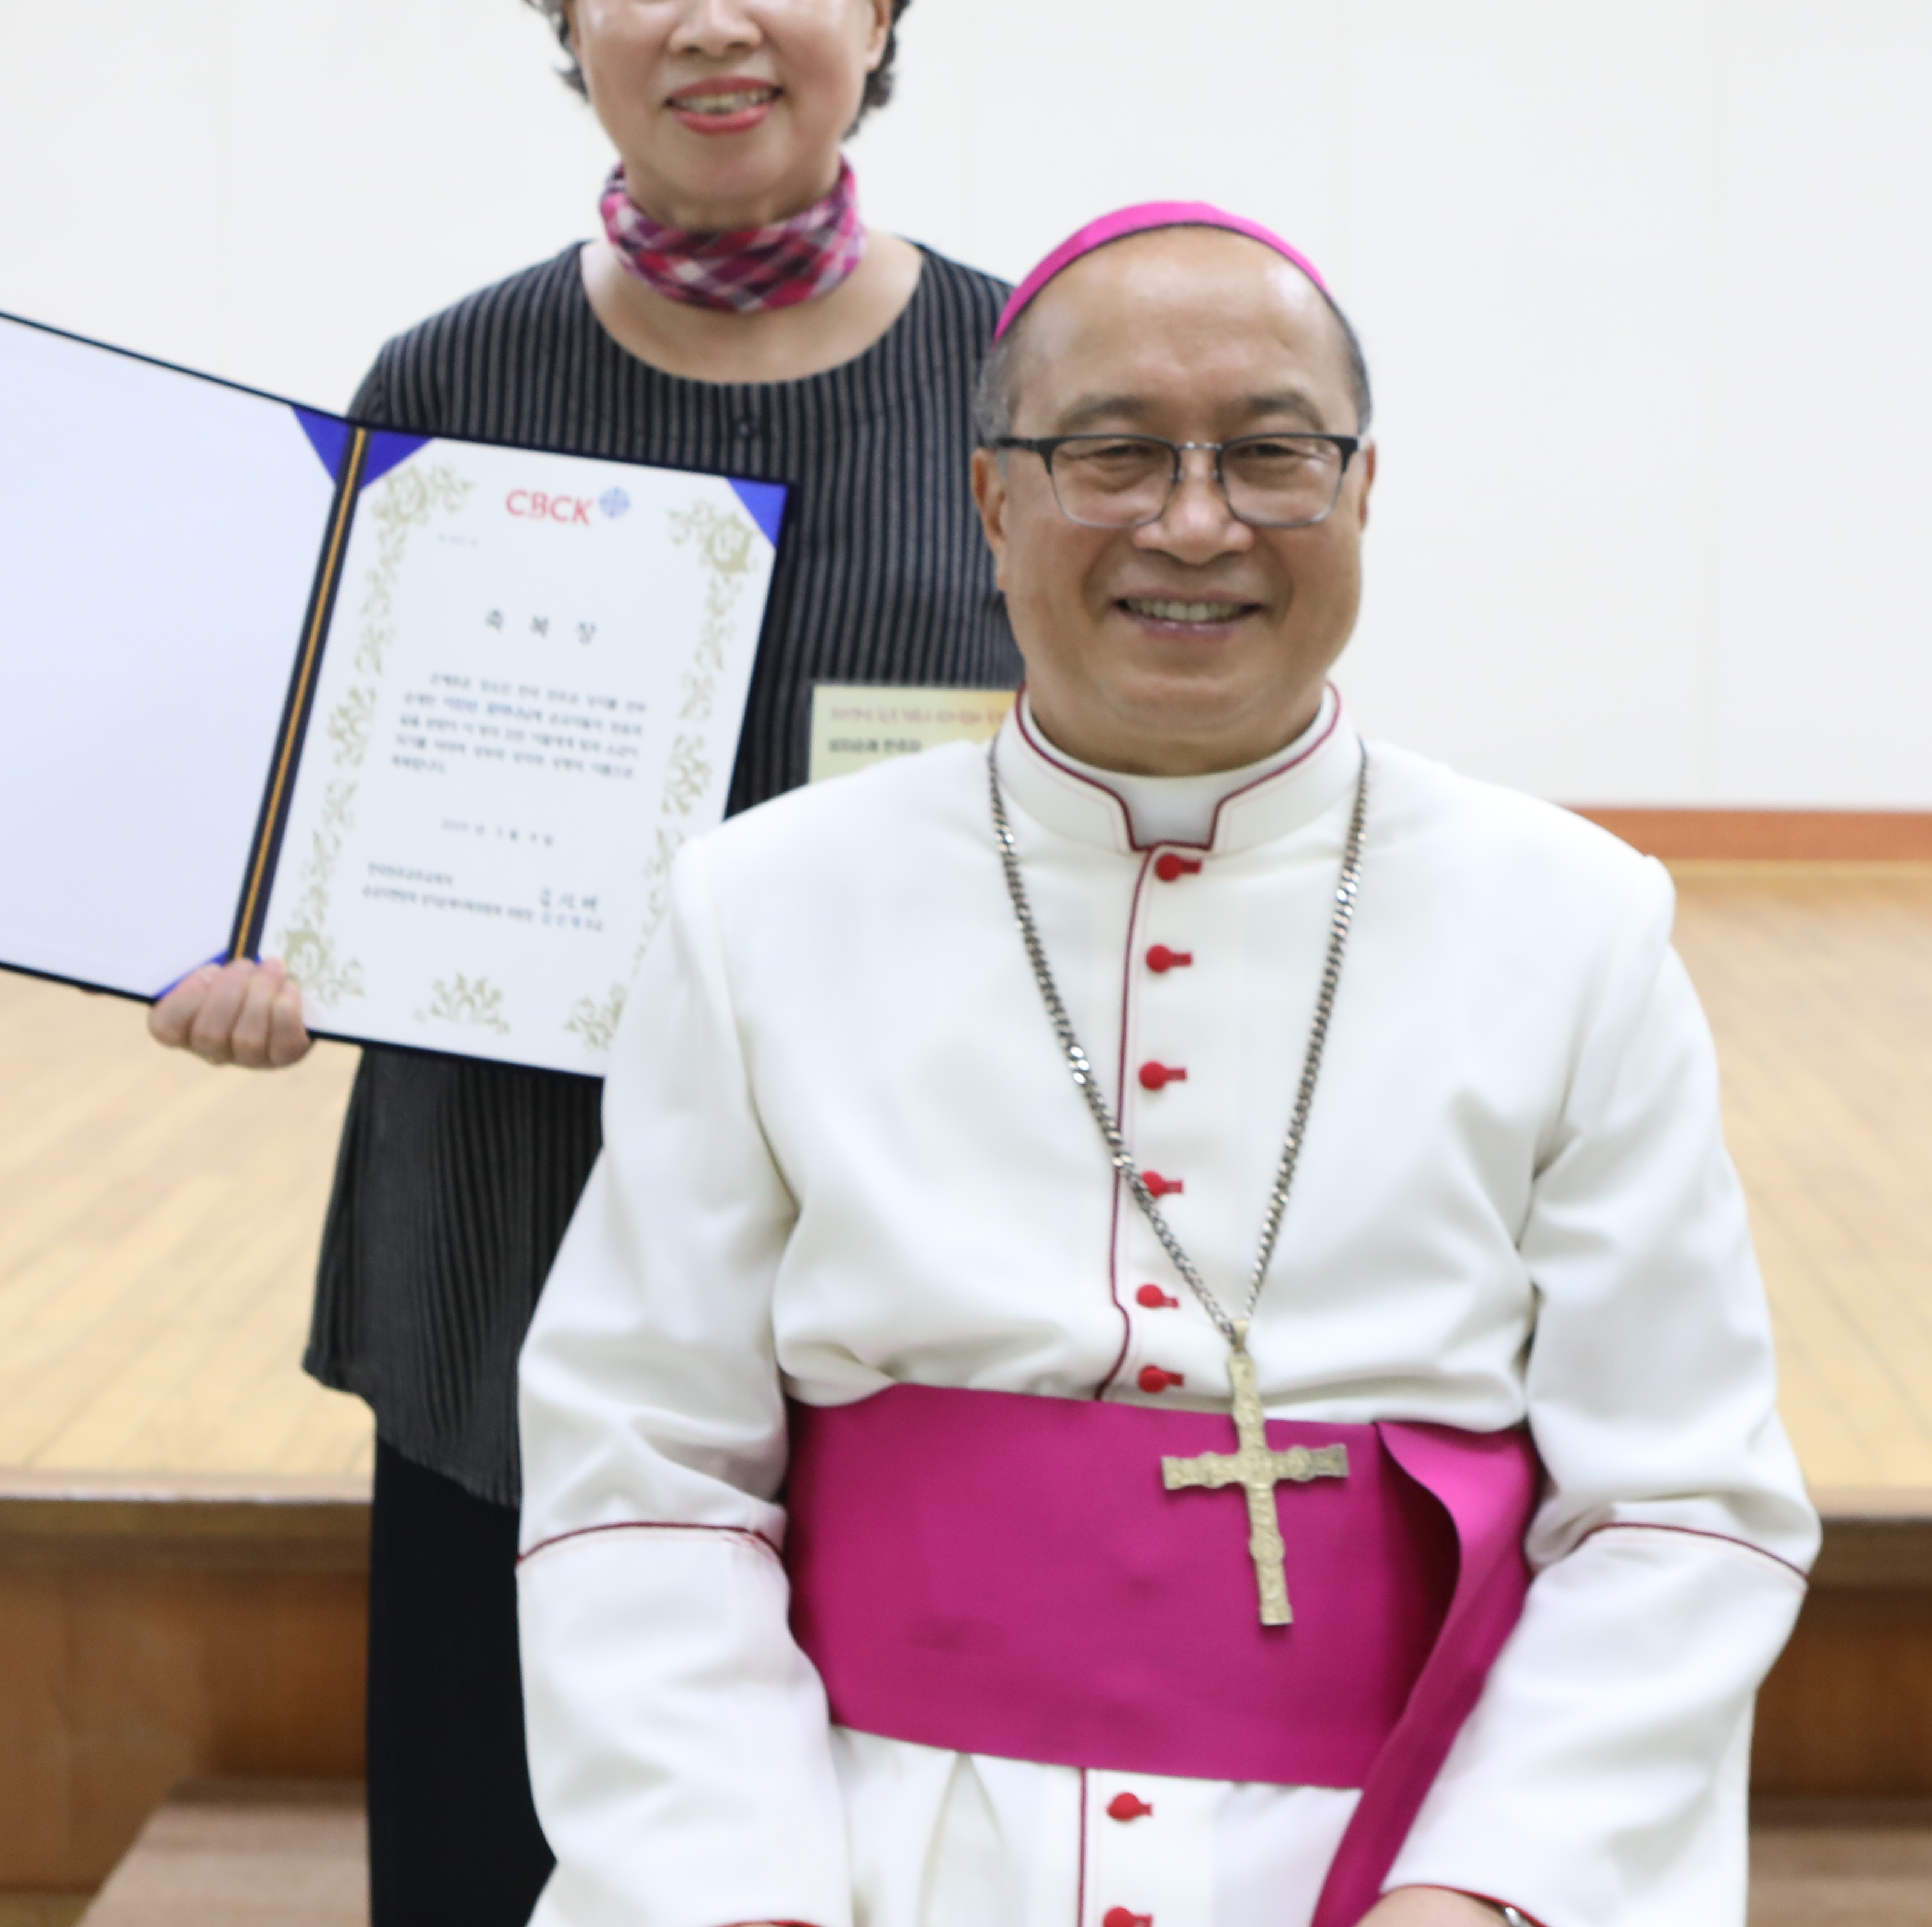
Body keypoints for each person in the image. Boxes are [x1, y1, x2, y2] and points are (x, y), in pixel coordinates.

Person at [513, 206, 1818, 1927]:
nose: (1194, 524)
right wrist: (742, 1890)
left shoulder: (1574, 923)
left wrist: (1492, 1892)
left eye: (1271, 455)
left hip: (1406, 1852)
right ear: (994, 501)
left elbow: (1683, 1507)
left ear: (1363, 494)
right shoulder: (762, 908)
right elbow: (644, 1468)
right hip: (871, 1846)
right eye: (1113, 454)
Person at [147, 0, 1023, 1927]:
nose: (711, 21)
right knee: (499, 1841)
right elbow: (318, 802)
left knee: (898, 1845)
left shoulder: (1038, 372)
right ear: (567, 16)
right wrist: (264, 949)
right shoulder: (447, 381)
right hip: (511, 1248)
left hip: (912, 1234)